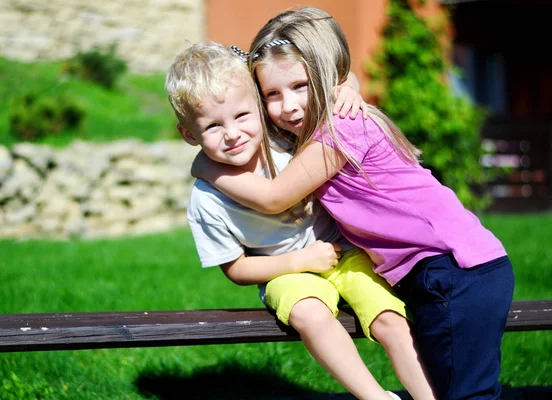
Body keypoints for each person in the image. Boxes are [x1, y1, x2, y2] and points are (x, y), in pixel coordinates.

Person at [191, 7, 515, 400]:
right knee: (455, 388)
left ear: (327, 80)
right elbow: (337, 76)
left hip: (454, 269)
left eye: (300, 86)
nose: (289, 105)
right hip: (443, 271)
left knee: (469, 394)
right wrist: (349, 83)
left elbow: (275, 197)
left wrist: (207, 166)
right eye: (272, 95)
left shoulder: (339, 130)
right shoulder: (316, 125)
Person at [166, 41, 435, 400]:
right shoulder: (207, 199)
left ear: (260, 109)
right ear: (189, 135)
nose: (232, 134)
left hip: (344, 253)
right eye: (213, 126)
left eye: (242, 116)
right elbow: (235, 269)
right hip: (283, 272)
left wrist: (349, 88)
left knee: (389, 315)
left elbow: (332, 77)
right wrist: (297, 262)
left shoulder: (287, 139)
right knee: (310, 314)